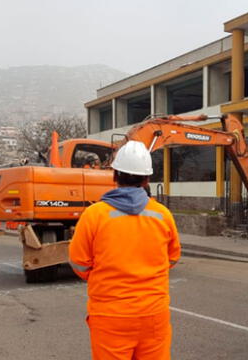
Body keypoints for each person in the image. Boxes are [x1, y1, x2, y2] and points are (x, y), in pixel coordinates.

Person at [69, 140, 181, 360]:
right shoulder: (162, 215)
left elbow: (79, 263)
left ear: (114, 175)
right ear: (147, 178)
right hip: (153, 313)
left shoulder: (94, 215)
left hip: (110, 314)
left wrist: (103, 279)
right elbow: (172, 258)